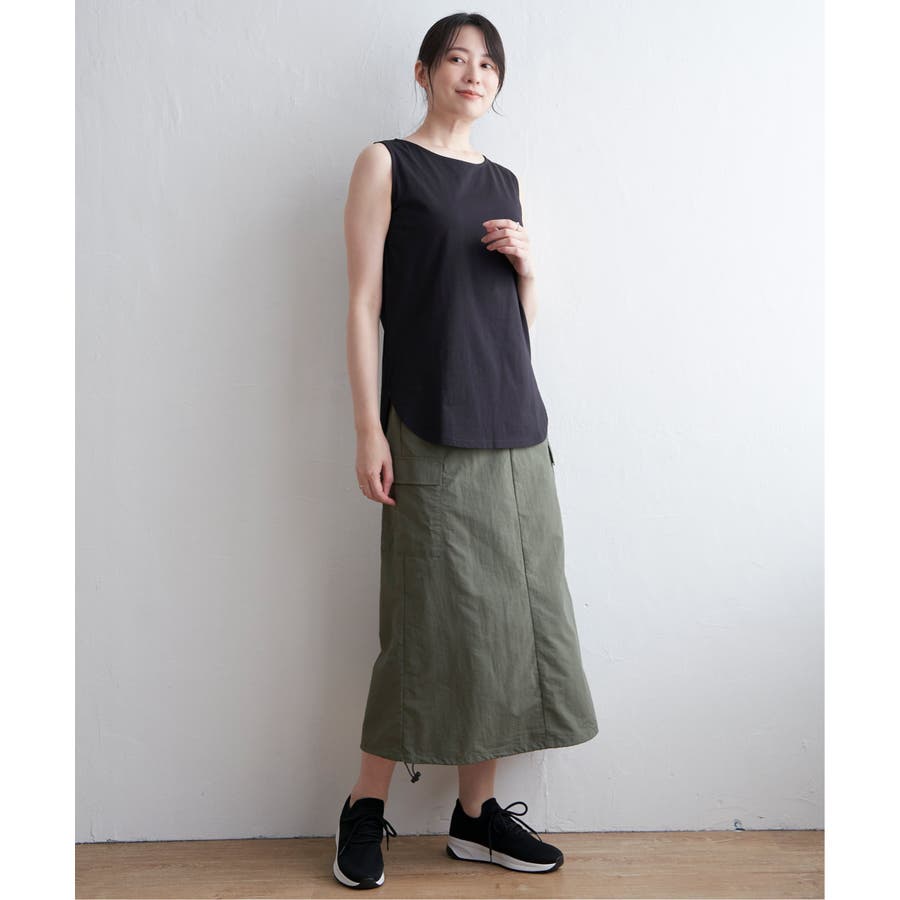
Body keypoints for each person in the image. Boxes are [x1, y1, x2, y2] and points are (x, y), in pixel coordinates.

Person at [335, 12, 599, 890]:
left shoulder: (504, 181)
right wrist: (368, 427)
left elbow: (512, 327)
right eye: (456, 57)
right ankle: (364, 806)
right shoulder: (386, 163)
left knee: (511, 622)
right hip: (428, 420)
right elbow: (363, 302)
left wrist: (529, 271)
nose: (474, 73)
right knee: (422, 621)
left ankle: (475, 817)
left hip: (516, 424)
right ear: (423, 72)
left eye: (488, 63)